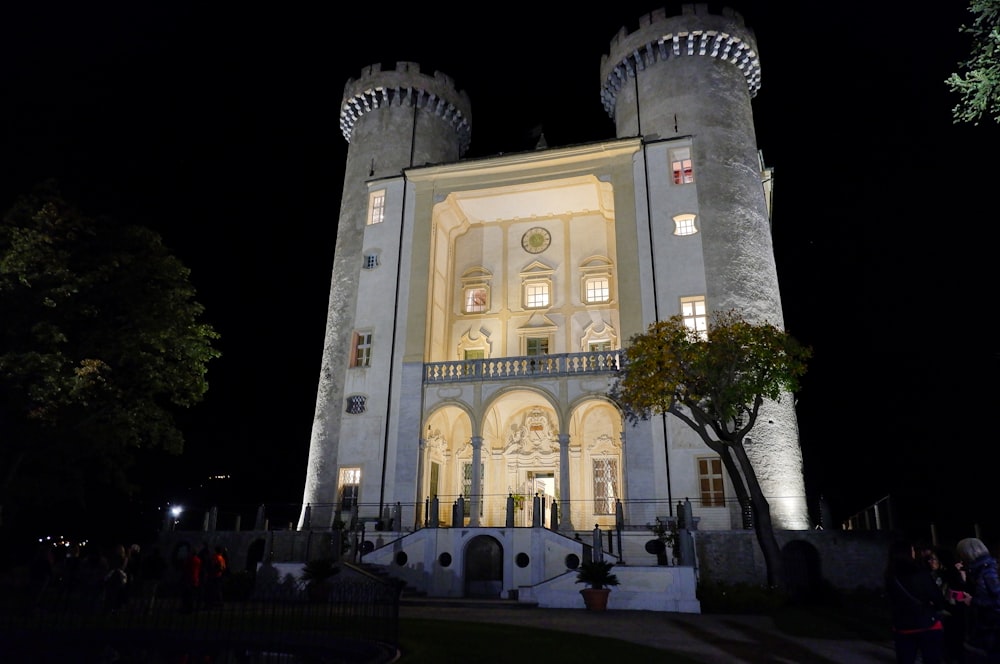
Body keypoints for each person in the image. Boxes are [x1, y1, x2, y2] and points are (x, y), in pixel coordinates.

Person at [886, 538, 946, 664]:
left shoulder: (890, 576)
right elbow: (938, 599)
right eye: (912, 550)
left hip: (902, 627)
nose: (914, 553)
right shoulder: (920, 573)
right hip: (927, 624)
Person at [922, 547, 969, 663]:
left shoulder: (953, 576)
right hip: (940, 616)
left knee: (953, 647)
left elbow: (961, 596)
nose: (930, 561)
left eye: (933, 559)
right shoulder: (933, 575)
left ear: (941, 561)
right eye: (929, 559)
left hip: (952, 616)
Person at [957, 537, 1000, 662]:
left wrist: (973, 601)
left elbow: (998, 601)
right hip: (988, 631)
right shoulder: (982, 570)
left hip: (992, 632)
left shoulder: (987, 572)